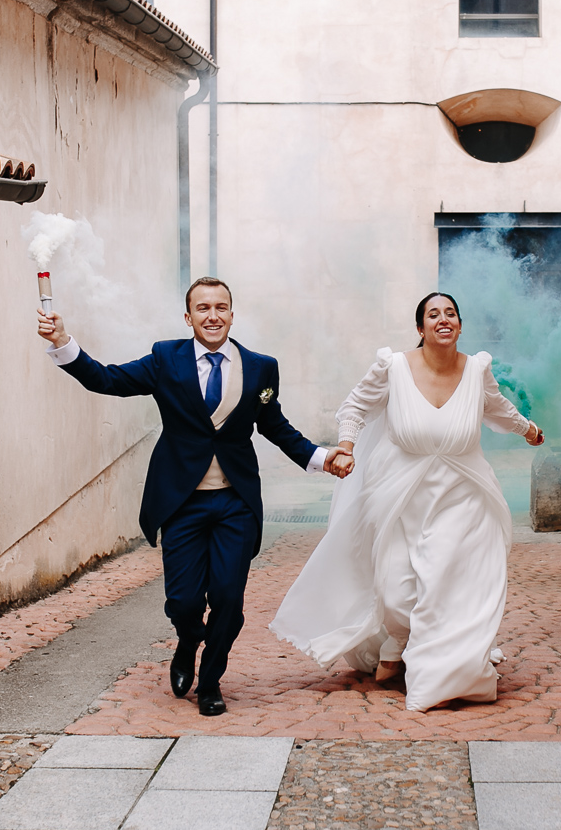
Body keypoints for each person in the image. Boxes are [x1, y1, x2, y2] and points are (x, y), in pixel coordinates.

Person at [38, 277, 345, 716]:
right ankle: (187, 640)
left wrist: (320, 457)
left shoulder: (261, 367)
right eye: (203, 308)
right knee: (183, 602)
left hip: (235, 504)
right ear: (188, 318)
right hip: (182, 502)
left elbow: (274, 425)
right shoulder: (167, 359)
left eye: (221, 307)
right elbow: (107, 380)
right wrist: (63, 342)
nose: (213, 315)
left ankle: (211, 680)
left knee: (227, 598)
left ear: (232, 315)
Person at [270, 291, 545, 711]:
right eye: (433, 314)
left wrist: (527, 429)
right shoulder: (393, 367)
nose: (443, 319)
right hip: (399, 494)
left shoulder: (477, 370)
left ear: (458, 324)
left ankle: (446, 672)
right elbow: (355, 405)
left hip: (463, 494)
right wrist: (344, 445)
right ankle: (397, 640)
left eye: (451, 313)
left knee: (447, 582)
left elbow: (498, 408)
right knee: (396, 590)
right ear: (421, 328)